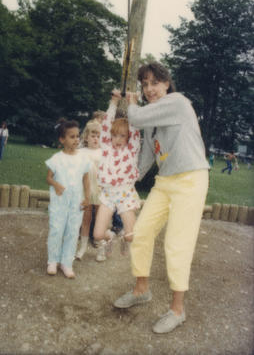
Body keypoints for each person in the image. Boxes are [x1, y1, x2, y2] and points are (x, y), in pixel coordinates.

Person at [113, 62, 209, 334]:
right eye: (144, 85)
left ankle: (178, 310)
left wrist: (131, 103)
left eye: (154, 83)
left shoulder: (177, 102)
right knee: (140, 233)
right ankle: (141, 289)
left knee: (177, 244)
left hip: (191, 179)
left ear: (167, 83)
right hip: (165, 181)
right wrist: (124, 180)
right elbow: (145, 158)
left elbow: (135, 117)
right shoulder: (151, 120)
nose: (149, 89)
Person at [93, 90, 141, 262]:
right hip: (107, 195)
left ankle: (124, 239)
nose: (117, 139)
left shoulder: (132, 150)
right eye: (114, 135)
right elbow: (106, 125)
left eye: (122, 135)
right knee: (98, 234)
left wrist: (132, 103)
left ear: (128, 137)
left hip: (125, 194)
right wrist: (114, 102)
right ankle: (110, 237)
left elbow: (135, 128)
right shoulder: (106, 147)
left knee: (131, 236)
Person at [45, 118, 91, 279]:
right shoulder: (57, 158)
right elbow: (49, 178)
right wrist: (56, 185)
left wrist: (87, 197)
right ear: (62, 139)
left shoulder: (83, 159)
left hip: (76, 202)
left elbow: (86, 179)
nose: (76, 140)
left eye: (77, 136)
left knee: (72, 231)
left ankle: (66, 262)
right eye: (72, 137)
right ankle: (52, 260)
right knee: (57, 229)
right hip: (60, 202)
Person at [76, 120, 102, 260]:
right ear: (86, 137)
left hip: (99, 191)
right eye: (93, 136)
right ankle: (82, 247)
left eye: (98, 136)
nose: (95, 139)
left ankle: (101, 248)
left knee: (99, 220)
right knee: (85, 219)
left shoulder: (103, 153)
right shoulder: (81, 152)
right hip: (86, 190)